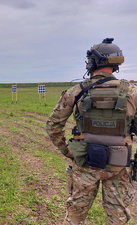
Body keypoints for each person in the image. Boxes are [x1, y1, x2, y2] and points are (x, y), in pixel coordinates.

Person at [45, 38, 136, 225]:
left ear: (93, 62)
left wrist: (67, 151)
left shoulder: (76, 91)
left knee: (75, 215)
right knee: (117, 217)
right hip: (119, 167)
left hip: (85, 162)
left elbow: (53, 126)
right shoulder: (132, 92)